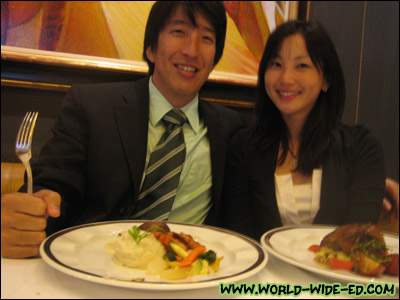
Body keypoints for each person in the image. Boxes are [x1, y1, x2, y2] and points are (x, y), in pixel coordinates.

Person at [1, 1, 245, 258]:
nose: (192, 50)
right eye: (179, 32)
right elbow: (54, 182)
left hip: (185, 277)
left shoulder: (230, 129)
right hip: (98, 268)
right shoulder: (92, 106)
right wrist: (34, 209)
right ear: (151, 49)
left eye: (206, 38)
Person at [221, 20, 386, 241]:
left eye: (302, 66)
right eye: (276, 64)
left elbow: (355, 242)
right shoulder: (243, 148)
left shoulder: (362, 149)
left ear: (326, 79)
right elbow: (240, 241)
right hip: (262, 275)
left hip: (335, 275)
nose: (285, 78)